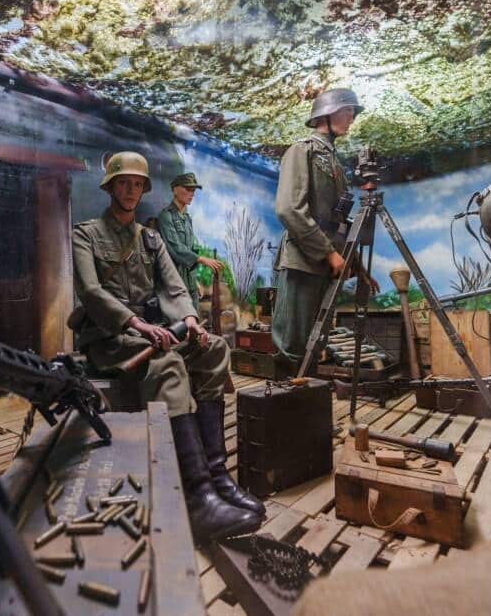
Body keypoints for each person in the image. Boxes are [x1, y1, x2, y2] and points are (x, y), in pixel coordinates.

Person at [71, 152, 264, 540]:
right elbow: (90, 291)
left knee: (212, 351)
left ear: (144, 189)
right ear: (110, 186)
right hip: (111, 337)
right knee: (168, 365)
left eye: (137, 183)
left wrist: (190, 320)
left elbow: (174, 285)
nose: (130, 189)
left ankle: (216, 476)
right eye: (123, 182)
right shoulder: (86, 233)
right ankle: (195, 498)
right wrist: (136, 323)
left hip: (150, 331)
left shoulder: (151, 238)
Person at [271, 88, 378, 365]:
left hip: (323, 265)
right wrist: (328, 253)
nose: (351, 117)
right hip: (302, 262)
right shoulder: (301, 151)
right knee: (293, 345)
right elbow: (288, 209)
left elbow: (337, 223)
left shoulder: (334, 163)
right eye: (346, 111)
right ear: (326, 113)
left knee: (314, 342)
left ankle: (307, 399)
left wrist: (356, 266)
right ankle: (289, 402)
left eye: (352, 112)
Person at [156, 173, 225, 310]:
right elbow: (175, 248)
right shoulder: (166, 216)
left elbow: (190, 249)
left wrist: (195, 281)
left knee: (195, 323)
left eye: (193, 190)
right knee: (179, 325)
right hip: (173, 283)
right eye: (187, 189)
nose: (191, 194)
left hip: (190, 283)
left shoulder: (187, 218)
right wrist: (202, 259)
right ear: (175, 189)